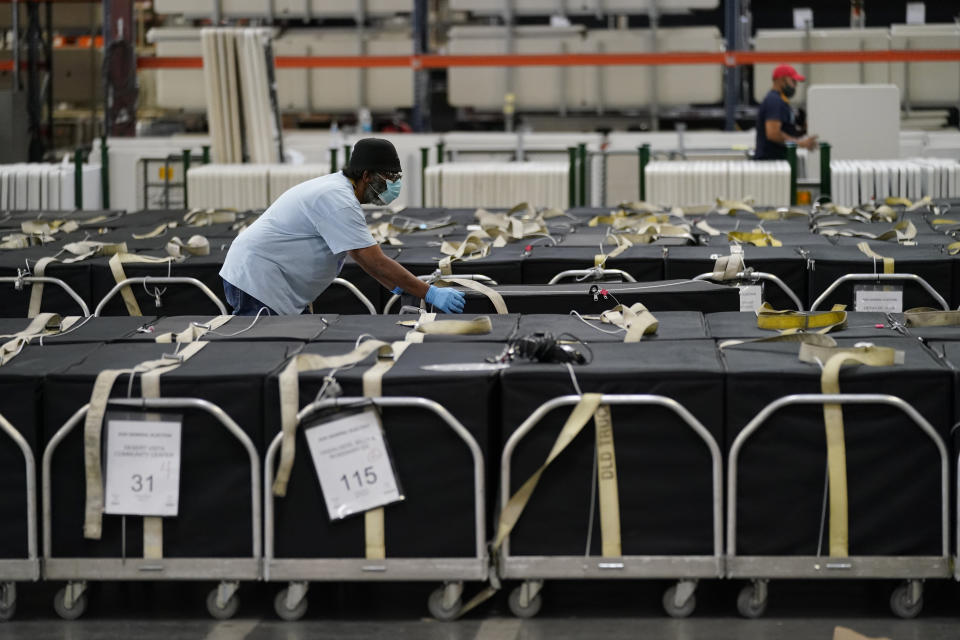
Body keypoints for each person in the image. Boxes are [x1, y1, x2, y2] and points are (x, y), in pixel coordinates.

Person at [219, 138, 465, 316]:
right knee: (267, 355)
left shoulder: (339, 192)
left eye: (397, 179)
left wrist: (400, 287)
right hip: (258, 282)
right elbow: (374, 259)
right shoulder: (337, 199)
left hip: (268, 282)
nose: (394, 186)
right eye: (388, 179)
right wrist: (429, 293)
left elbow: (360, 256)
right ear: (367, 176)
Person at [754, 64, 819, 160]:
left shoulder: (781, 102)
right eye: (793, 81)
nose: (795, 85)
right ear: (782, 80)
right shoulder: (774, 101)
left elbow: (784, 132)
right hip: (770, 163)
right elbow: (773, 134)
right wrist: (800, 143)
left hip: (778, 162)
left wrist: (802, 131)